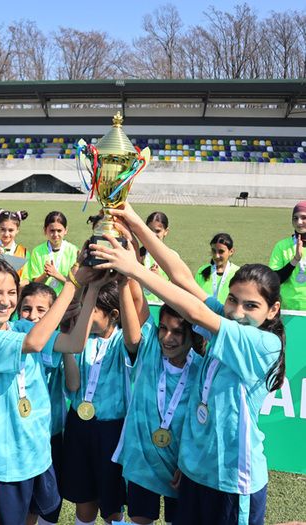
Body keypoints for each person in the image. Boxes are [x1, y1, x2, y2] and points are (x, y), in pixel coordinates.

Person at [91, 202, 285, 525]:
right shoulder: (228, 319)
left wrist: (134, 270)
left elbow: (195, 312)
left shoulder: (264, 343)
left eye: (252, 305)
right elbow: (182, 276)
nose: (237, 311)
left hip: (232, 482)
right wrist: (134, 219)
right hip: (196, 474)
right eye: (233, 300)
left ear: (273, 310)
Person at [0, 258, 80, 525]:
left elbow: (75, 343)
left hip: (37, 453)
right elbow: (35, 342)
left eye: (11, 293)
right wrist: (71, 284)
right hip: (4, 464)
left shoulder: (20, 326)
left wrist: (89, 292)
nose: (5, 301)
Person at [112, 278, 205, 525]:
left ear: (192, 333)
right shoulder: (150, 349)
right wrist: (125, 277)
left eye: (177, 331)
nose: (167, 337)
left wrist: (188, 464)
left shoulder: (201, 370)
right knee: (140, 519)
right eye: (163, 328)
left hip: (181, 468)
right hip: (142, 462)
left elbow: (203, 428)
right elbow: (136, 301)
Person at [60, 275, 133, 525]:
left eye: (91, 312)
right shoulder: (80, 340)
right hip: (78, 425)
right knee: (84, 498)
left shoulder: (122, 342)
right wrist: (68, 339)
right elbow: (73, 385)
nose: (84, 317)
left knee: (112, 503)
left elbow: (135, 340)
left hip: (111, 430)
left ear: (113, 314)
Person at [17, 282, 80, 525]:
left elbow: (73, 386)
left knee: (48, 502)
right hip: (20, 434)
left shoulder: (57, 344)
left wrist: (64, 344)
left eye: (41, 310)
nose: (32, 316)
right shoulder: (14, 339)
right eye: (26, 309)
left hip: (50, 434)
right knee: (22, 503)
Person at [22, 211, 79, 294]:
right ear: (45, 230)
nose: (55, 234)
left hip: (66, 300)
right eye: (52, 230)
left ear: (65, 230)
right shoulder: (37, 251)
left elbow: (75, 284)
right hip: (43, 299)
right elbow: (34, 284)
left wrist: (56, 274)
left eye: (59, 230)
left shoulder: (73, 250)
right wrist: (45, 275)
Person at [269, 201, 306, 310]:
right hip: (288, 308)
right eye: (295, 218)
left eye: (304, 218)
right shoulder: (282, 246)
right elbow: (274, 280)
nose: (299, 222)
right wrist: (295, 260)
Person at [195, 233, 240, 304]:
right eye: (214, 251)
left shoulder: (239, 273)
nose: (216, 256)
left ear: (231, 251)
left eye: (221, 251)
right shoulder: (202, 271)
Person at [140, 211, 172, 304]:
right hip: (141, 308)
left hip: (164, 310)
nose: (153, 235)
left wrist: (159, 279)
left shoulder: (173, 257)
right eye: (150, 230)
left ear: (166, 232)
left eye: (157, 231)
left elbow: (178, 290)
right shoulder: (137, 255)